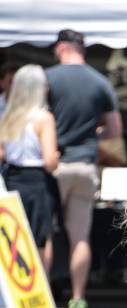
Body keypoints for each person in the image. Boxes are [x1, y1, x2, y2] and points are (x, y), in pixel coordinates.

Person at [46, 29, 122, 308]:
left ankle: (47, 299)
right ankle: (78, 299)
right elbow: (113, 130)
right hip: (86, 166)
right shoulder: (100, 81)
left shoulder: (48, 78)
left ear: (62, 47)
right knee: (80, 237)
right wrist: (91, 133)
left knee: (47, 235)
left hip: (55, 165)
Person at [0, 65, 59, 269]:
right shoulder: (43, 118)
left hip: (11, 179)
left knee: (13, 236)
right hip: (37, 181)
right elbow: (50, 161)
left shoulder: (8, 116)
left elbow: (2, 154)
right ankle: (43, 290)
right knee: (41, 238)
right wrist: (57, 157)